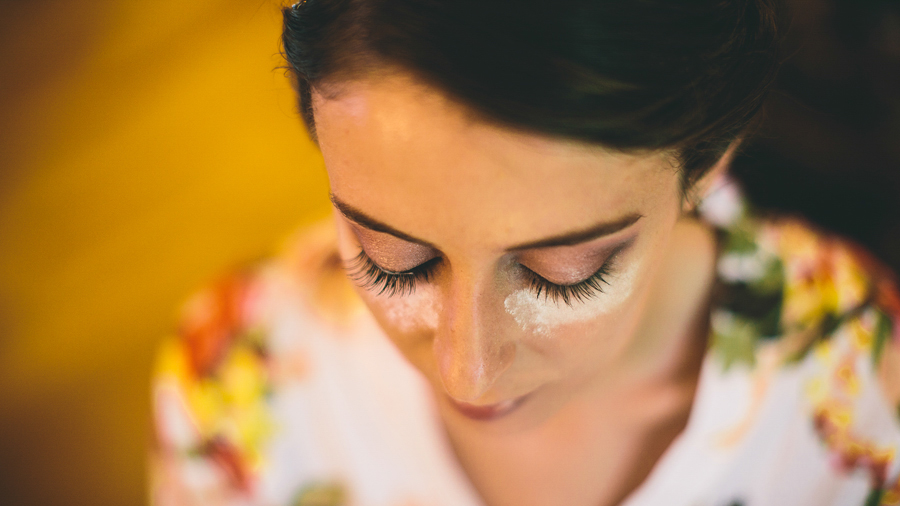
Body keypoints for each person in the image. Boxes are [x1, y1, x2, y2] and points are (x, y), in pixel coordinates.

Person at [150, 0, 900, 505]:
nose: (466, 370)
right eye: (392, 259)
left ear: (706, 161)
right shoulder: (239, 390)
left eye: (560, 275)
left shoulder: (858, 386)